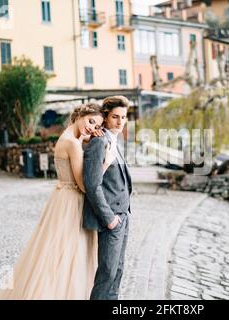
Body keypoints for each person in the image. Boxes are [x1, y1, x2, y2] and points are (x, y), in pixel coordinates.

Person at [0, 103, 116, 299]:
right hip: (72, 202)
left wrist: (84, 138)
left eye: (97, 126)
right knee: (70, 254)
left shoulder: (66, 139)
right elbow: (84, 186)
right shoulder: (73, 144)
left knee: (53, 251)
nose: (92, 128)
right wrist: (106, 162)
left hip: (61, 198)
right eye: (91, 121)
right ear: (79, 115)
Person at [83, 96, 132, 300]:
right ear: (106, 116)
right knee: (107, 274)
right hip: (111, 219)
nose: (120, 122)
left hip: (124, 216)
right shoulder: (99, 142)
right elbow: (92, 185)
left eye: (123, 117)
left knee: (118, 272)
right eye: (115, 117)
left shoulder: (113, 140)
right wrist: (109, 219)